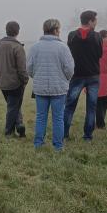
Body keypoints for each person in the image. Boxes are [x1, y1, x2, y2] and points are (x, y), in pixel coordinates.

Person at [26, 19, 74, 150]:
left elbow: (29, 68)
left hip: (40, 88)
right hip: (59, 88)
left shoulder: (35, 47)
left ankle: (38, 144)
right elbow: (69, 69)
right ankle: (58, 146)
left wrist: (36, 77)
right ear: (55, 30)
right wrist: (65, 79)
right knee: (58, 118)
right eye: (59, 29)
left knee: (40, 117)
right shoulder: (63, 47)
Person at [63, 10, 103, 141]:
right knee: (91, 107)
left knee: (70, 106)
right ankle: (88, 136)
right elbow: (100, 54)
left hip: (77, 75)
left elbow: (69, 54)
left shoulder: (72, 35)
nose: (96, 23)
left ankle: (64, 134)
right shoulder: (97, 36)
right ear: (90, 21)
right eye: (95, 20)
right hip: (93, 76)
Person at [0, 21, 28, 137]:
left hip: (2, 82)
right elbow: (22, 69)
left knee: (14, 105)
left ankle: (20, 126)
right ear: (18, 31)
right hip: (15, 83)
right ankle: (9, 132)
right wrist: (25, 80)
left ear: (6, 30)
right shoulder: (17, 47)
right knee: (13, 107)